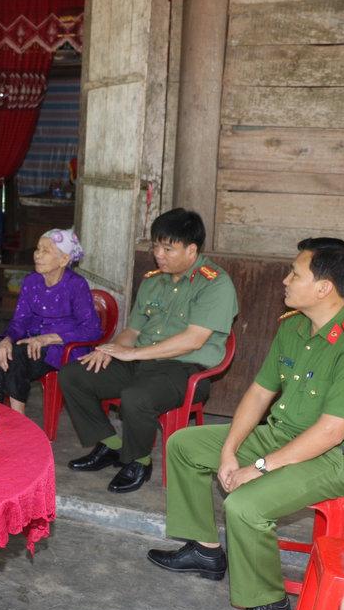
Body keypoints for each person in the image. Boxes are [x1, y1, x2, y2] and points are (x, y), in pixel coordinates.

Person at [148, 238, 344, 610]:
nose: (285, 279)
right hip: (282, 435)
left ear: (324, 288)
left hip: (335, 455)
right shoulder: (294, 326)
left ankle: (268, 602)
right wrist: (229, 449)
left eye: (295, 273)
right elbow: (260, 393)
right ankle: (207, 550)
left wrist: (257, 468)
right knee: (185, 445)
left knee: (243, 504)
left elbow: (330, 431)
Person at [59, 208, 238, 493]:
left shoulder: (215, 283)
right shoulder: (154, 280)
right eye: (156, 246)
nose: (159, 254)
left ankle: (139, 460)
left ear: (192, 250)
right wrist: (112, 348)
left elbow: (193, 340)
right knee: (73, 374)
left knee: (136, 397)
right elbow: (133, 332)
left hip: (185, 370)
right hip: (142, 362)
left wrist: (132, 354)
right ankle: (110, 444)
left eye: (168, 248)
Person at [0, 229, 101, 414]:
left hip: (62, 347)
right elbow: (20, 321)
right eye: (38, 249)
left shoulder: (76, 285)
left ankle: (17, 421)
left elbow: (92, 329)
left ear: (64, 259)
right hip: (32, 342)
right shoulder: (31, 281)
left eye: (46, 251)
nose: (38, 254)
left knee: (17, 358)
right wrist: (6, 340)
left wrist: (48, 339)